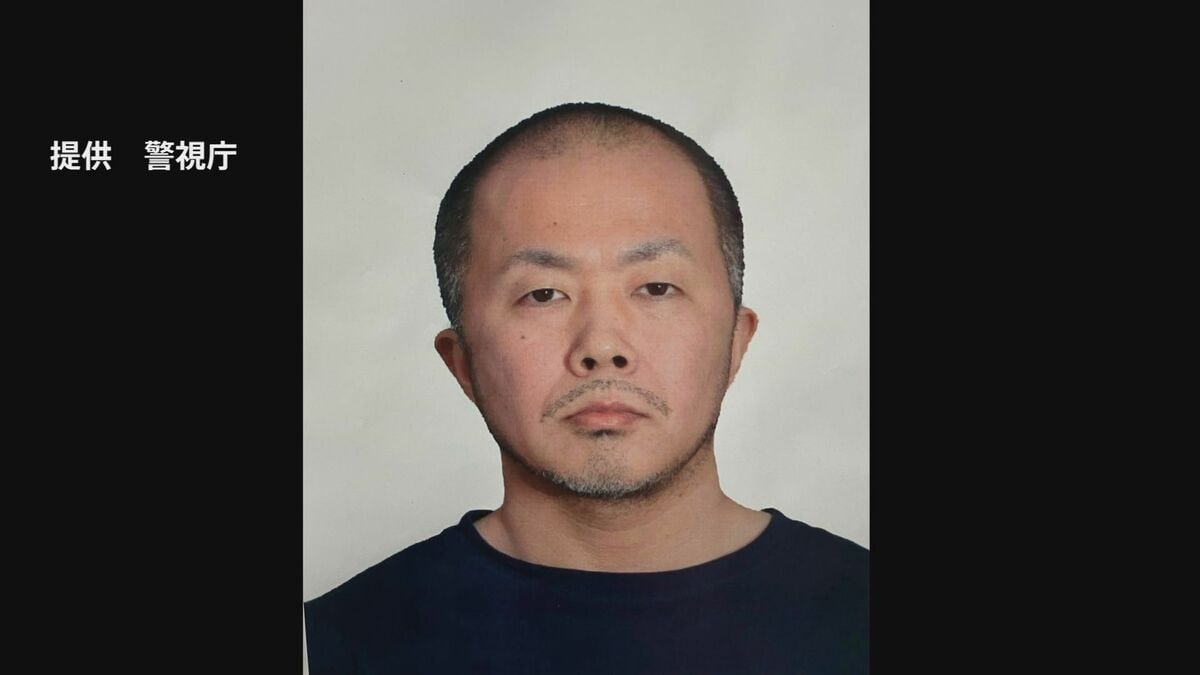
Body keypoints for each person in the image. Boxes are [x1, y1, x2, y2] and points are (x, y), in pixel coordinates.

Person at [304, 102, 868, 674]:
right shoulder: (331, 647)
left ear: (735, 342)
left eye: (656, 287)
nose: (602, 345)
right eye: (543, 294)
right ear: (463, 362)